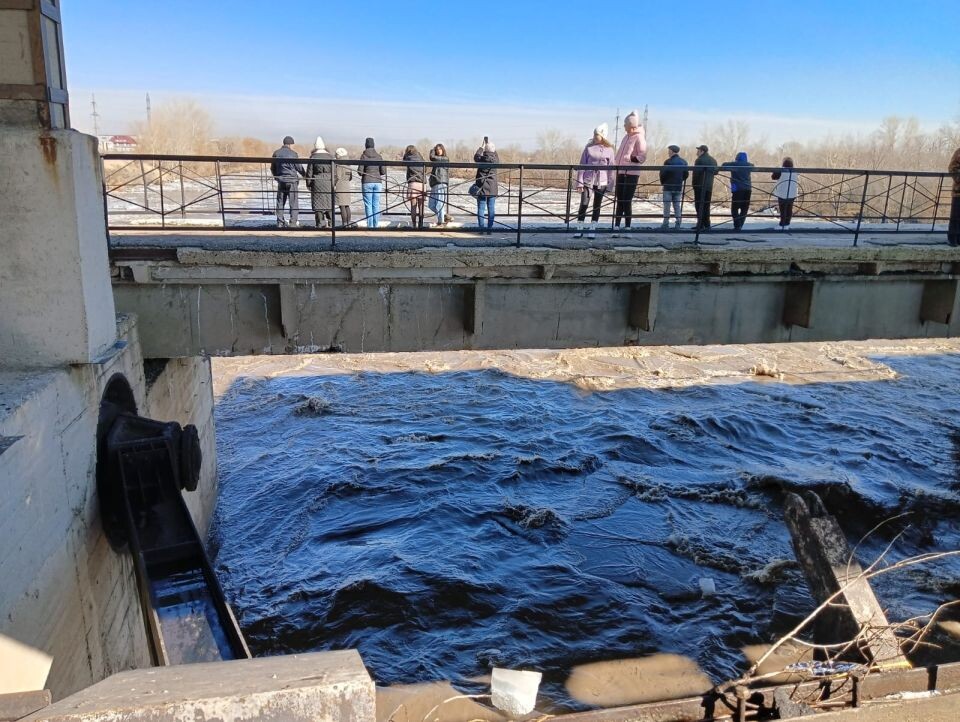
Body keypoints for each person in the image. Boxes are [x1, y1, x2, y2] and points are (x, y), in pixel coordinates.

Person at [573, 123, 615, 239]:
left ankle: (593, 227)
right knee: (584, 203)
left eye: (597, 134)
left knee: (597, 205)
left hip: (602, 181)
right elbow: (582, 164)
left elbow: (611, 168)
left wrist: (611, 185)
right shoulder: (588, 147)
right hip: (588, 179)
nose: (595, 136)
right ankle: (579, 227)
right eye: (594, 134)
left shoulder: (609, 150)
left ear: (603, 136)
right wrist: (579, 182)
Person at [613, 109, 647, 238]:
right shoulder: (625, 137)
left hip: (632, 173)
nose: (623, 126)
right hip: (621, 172)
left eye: (625, 124)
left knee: (627, 200)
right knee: (619, 200)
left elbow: (642, 156)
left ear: (631, 126)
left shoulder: (639, 137)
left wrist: (630, 159)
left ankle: (627, 227)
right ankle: (616, 226)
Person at [270, 135, 304, 228]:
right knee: (293, 202)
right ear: (290, 144)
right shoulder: (293, 154)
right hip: (292, 181)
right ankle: (293, 222)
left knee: (280, 201)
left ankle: (280, 222)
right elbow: (299, 167)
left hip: (281, 180)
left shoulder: (276, 153)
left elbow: (272, 168)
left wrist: (276, 177)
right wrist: (305, 176)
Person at [305, 136, 334, 229]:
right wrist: (334, 182)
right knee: (329, 201)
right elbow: (335, 172)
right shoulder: (330, 156)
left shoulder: (313, 157)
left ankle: (320, 223)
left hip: (317, 181)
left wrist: (309, 184)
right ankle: (331, 222)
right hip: (329, 181)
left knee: (318, 203)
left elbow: (309, 173)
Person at [721, 151, 755, 230]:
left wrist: (732, 162)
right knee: (744, 208)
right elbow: (753, 166)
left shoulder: (734, 164)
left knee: (734, 208)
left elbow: (724, 165)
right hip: (747, 189)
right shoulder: (749, 165)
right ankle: (740, 225)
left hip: (737, 189)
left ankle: (737, 225)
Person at [357, 137, 386, 228]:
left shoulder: (363, 156)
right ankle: (376, 225)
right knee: (376, 204)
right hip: (377, 182)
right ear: (374, 145)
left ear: (365, 145)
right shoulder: (379, 156)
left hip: (367, 182)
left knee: (368, 204)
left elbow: (360, 172)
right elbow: (383, 171)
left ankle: (370, 226)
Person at [659, 144, 688, 230]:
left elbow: (663, 174)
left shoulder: (668, 162)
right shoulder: (684, 162)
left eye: (669, 150)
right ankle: (678, 223)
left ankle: (665, 224)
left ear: (671, 151)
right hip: (678, 186)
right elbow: (686, 174)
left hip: (668, 186)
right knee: (677, 205)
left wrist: (663, 182)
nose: (668, 152)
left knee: (667, 206)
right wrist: (680, 180)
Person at [474, 139, 499, 234]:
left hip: (482, 187)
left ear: (485, 150)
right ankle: (490, 229)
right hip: (492, 188)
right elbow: (495, 154)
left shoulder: (481, 159)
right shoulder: (496, 160)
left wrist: (482, 147)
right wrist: (492, 149)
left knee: (481, 208)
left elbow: (476, 156)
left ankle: (481, 229)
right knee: (491, 208)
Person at [691, 144, 717, 231]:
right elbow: (716, 171)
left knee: (699, 205)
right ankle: (707, 224)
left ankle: (700, 224)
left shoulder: (699, 160)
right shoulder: (713, 160)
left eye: (698, 150)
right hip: (709, 186)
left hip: (699, 186)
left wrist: (694, 185)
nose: (697, 152)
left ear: (702, 151)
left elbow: (696, 174)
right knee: (706, 205)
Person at [402, 145, 427, 229]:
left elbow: (403, 161)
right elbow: (425, 170)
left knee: (413, 205)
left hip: (413, 183)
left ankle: (414, 225)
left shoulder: (408, 158)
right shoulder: (421, 157)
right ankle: (421, 224)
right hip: (422, 184)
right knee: (421, 205)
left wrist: (405, 155)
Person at [771, 157, 799, 231]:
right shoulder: (795, 171)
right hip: (792, 193)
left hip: (782, 192)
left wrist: (776, 170)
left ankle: (782, 224)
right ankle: (787, 223)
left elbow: (773, 177)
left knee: (783, 209)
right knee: (789, 208)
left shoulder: (781, 170)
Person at [428, 143, 450, 226]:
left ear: (443, 150)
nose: (438, 151)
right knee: (431, 205)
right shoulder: (438, 159)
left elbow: (432, 157)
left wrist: (432, 150)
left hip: (441, 182)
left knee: (439, 204)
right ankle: (445, 216)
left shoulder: (444, 158)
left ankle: (440, 222)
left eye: (440, 149)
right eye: (437, 150)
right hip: (435, 183)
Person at [334, 147, 353, 227]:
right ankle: (348, 223)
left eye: (336, 154)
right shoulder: (348, 164)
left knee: (342, 205)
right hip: (347, 185)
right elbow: (351, 177)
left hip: (340, 185)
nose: (335, 156)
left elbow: (337, 176)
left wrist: (333, 183)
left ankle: (344, 223)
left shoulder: (339, 164)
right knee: (347, 205)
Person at [948, 147, 960, 247]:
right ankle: (953, 238)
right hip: (958, 191)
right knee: (956, 216)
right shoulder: (959, 152)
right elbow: (952, 168)